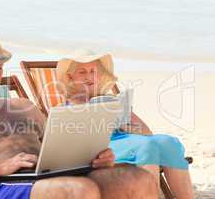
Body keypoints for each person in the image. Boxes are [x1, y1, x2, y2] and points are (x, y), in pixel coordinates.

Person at [0, 29, 158, 199]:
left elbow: (60, 150)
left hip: (50, 178)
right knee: (78, 191)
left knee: (136, 178)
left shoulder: (24, 106)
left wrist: (95, 159)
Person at [56, 51, 194, 199]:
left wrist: (123, 123)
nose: (89, 76)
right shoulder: (69, 107)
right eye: (82, 72)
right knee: (147, 146)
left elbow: (147, 133)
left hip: (128, 139)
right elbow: (70, 143)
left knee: (169, 142)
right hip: (103, 148)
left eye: (93, 71)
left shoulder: (111, 101)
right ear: (70, 77)